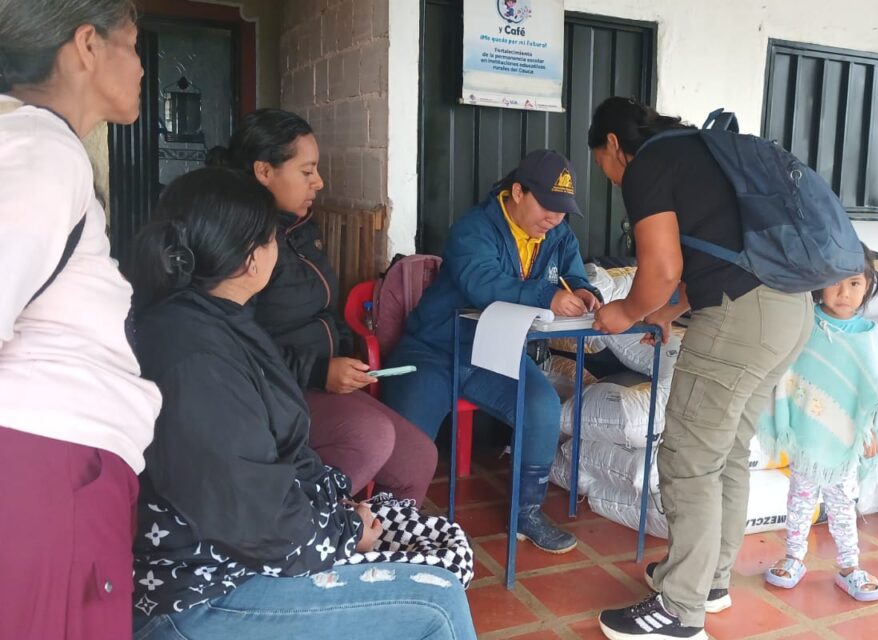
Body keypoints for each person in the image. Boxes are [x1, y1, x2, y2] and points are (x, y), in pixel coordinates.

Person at [125, 168, 477, 640]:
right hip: (200, 594)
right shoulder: (193, 358)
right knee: (438, 599)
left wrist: (341, 510)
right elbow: (254, 512)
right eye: (272, 238)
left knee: (431, 540)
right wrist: (346, 536)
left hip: (235, 555)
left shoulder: (217, 319)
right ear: (252, 260)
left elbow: (279, 461)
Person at [587, 97, 814, 640]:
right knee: (727, 451)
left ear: (614, 145)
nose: (609, 174)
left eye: (602, 160)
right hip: (790, 312)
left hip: (741, 320)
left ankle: (678, 611)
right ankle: (709, 583)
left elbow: (662, 266)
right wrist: (666, 312)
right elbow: (710, 253)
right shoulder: (706, 151)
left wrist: (623, 312)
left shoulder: (647, 167)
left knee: (689, 459)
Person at [0, 2, 163, 638]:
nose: (145, 68)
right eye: (134, 45)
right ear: (88, 45)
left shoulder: (39, 146)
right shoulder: (41, 153)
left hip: (57, 474)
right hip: (48, 476)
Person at [207, 108, 437, 504]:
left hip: (319, 384)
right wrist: (316, 370)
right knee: (370, 436)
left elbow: (323, 311)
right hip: (272, 391)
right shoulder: (241, 241)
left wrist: (347, 360)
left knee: (418, 458)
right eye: (306, 171)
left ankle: (369, 550)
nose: (319, 182)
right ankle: (302, 532)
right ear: (264, 172)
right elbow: (232, 343)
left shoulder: (300, 228)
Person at [381, 149, 598, 554]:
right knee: (408, 439)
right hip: (434, 349)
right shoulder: (473, 228)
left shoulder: (559, 234)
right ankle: (392, 519)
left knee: (542, 407)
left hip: (492, 352)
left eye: (563, 211)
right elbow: (483, 284)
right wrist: (546, 295)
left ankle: (526, 513)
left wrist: (585, 291)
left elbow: (573, 274)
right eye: (548, 206)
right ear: (518, 192)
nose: (555, 218)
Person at [755, 247, 878, 601]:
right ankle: (793, 557)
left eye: (854, 283)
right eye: (834, 283)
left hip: (847, 440)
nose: (843, 293)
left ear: (868, 286)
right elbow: (791, 370)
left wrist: (869, 432)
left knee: (841, 503)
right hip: (808, 434)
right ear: (818, 285)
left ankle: (850, 567)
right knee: (800, 498)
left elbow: (874, 391)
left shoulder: (868, 334)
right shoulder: (806, 323)